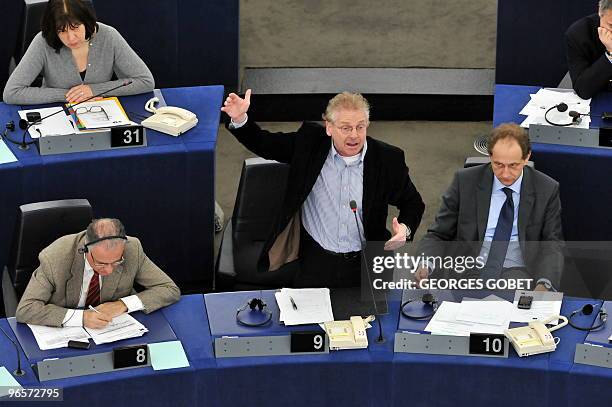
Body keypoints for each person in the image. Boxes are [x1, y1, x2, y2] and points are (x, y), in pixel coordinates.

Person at [221, 89, 425, 288]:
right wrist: (240, 119)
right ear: (329, 127)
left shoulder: (387, 159)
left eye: (360, 127)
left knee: (372, 321)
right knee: (310, 320)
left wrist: (404, 230)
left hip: (367, 264)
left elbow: (413, 203)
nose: (354, 135)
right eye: (345, 128)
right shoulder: (309, 145)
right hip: (316, 261)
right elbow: (265, 144)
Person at [415, 123, 563, 291]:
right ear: (490, 157)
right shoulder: (464, 182)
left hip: (518, 274)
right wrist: (426, 264)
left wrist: (544, 283)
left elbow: (552, 245)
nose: (505, 174)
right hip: (469, 271)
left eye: (513, 165)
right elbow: (438, 234)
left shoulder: (547, 189)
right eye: (498, 164)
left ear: (526, 157)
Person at [16, 218, 180, 328]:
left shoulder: (132, 249)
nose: (108, 270)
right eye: (101, 263)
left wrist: (121, 305)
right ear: (85, 249)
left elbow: (169, 289)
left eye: (116, 262)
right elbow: (26, 309)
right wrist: (81, 318)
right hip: (67, 331)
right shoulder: (55, 258)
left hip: (112, 329)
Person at [3, 0, 154, 105]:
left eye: (75, 27)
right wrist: (68, 96)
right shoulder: (42, 41)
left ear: (87, 21)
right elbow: (11, 93)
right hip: (55, 115)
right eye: (61, 31)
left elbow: (145, 81)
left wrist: (93, 90)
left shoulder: (109, 36)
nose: (70, 38)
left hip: (102, 112)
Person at [566, 0, 612, 99]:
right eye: (611, 25)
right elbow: (583, 90)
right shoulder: (579, 34)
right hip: (599, 99)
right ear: (600, 14)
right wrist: (610, 54)